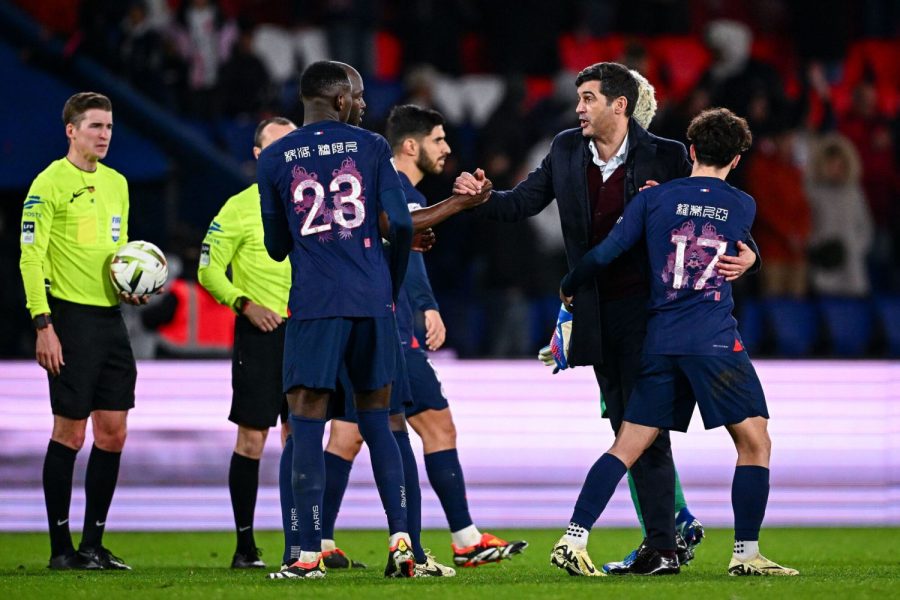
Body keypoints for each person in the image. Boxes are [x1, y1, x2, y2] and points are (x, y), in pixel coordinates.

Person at [454, 62, 759, 574]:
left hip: (653, 312)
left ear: (620, 104)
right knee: (627, 423)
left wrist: (750, 252)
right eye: (579, 98)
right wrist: (481, 200)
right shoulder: (565, 150)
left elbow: (713, 211)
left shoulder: (664, 154)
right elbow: (522, 202)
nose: (579, 109)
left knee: (643, 430)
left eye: (589, 98)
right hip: (597, 313)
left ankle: (662, 542)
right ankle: (664, 540)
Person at [551, 107, 798, 578]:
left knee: (627, 446)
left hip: (660, 340)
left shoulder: (654, 200)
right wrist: (754, 261)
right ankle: (745, 554)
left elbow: (605, 253)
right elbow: (739, 249)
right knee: (754, 441)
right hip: (713, 341)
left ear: (690, 151)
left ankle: (574, 536)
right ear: (738, 158)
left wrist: (570, 283)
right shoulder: (742, 204)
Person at [323, 103, 528, 571]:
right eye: (439, 139)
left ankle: (322, 539)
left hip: (370, 326)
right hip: (388, 332)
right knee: (403, 429)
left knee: (356, 433)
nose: (447, 148)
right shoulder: (396, 190)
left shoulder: (392, 189)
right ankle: (430, 543)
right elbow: (406, 258)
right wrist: (426, 307)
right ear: (411, 145)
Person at [258, 60, 415, 580]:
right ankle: (402, 545)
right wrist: (387, 289)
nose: (366, 104)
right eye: (362, 95)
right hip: (372, 301)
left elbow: (277, 247)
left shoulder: (275, 156)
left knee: (305, 426)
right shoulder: (371, 147)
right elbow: (405, 224)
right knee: (380, 422)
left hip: (316, 304)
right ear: (342, 99)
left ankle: (306, 555)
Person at [19, 92, 156, 570]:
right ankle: (61, 549)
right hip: (69, 321)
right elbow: (30, 256)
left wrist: (129, 287)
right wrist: (44, 324)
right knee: (70, 434)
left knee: (114, 433)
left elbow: (117, 253)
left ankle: (93, 545)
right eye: (95, 126)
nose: (104, 135)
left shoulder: (118, 183)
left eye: (110, 127)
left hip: (109, 321)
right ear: (71, 130)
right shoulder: (48, 183)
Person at [197, 116, 297, 569]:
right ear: (258, 156)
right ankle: (245, 545)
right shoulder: (238, 207)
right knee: (253, 439)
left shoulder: (313, 205)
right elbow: (208, 269)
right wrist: (244, 303)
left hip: (310, 333)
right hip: (261, 336)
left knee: (304, 439)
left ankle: (305, 544)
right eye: (275, 148)